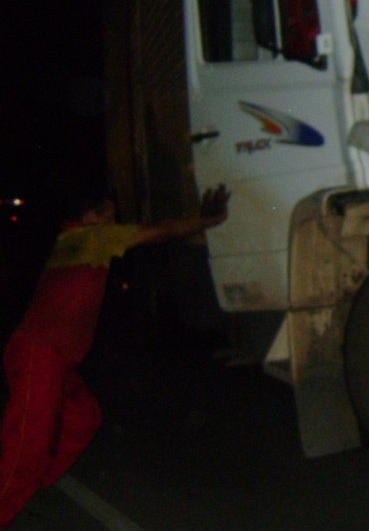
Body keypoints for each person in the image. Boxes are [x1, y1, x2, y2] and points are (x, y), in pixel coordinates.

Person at [0, 185, 230, 526]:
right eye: (107, 213)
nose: (113, 220)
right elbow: (160, 232)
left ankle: (26, 487)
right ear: (89, 217)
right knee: (25, 448)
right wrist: (204, 220)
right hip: (39, 355)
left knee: (84, 417)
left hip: (58, 359)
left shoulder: (78, 241)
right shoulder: (91, 238)